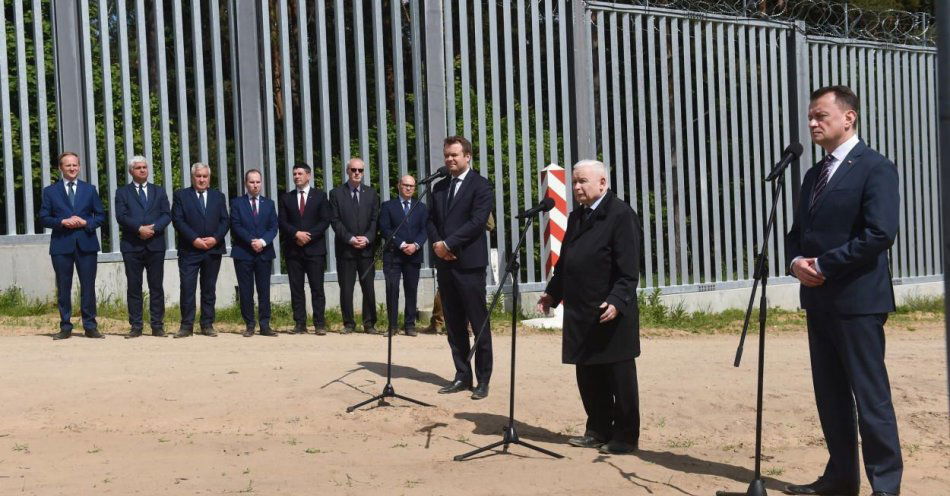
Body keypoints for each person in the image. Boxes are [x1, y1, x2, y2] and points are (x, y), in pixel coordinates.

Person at [784, 85, 902, 496]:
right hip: (818, 300)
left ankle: (885, 486)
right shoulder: (813, 174)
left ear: (848, 117)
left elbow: (880, 233)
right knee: (830, 395)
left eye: (821, 116)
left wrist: (825, 265)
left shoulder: (875, 167)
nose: (813, 123)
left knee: (870, 398)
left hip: (857, 301)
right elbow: (798, 234)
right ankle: (840, 478)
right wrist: (796, 262)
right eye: (811, 117)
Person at [538, 160, 642, 455]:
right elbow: (566, 263)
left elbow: (629, 268)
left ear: (602, 183)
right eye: (574, 182)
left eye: (583, 181)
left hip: (610, 312)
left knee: (618, 377)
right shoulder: (577, 217)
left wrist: (618, 300)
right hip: (581, 312)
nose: (577, 187)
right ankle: (597, 429)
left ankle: (624, 436)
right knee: (588, 375)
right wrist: (552, 295)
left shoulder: (621, 216)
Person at [427, 136, 494, 400]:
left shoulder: (481, 185)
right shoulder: (439, 187)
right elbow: (430, 220)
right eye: (446, 155)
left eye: (454, 155)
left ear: (468, 156)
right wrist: (437, 244)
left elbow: (478, 222)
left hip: (469, 264)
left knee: (478, 323)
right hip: (445, 263)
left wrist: (449, 243)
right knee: (453, 324)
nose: (449, 160)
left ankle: (483, 379)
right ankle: (462, 375)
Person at [39, 152, 106, 340]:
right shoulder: (50, 191)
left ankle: (90, 326)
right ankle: (65, 326)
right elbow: (44, 217)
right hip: (62, 245)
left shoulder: (90, 189)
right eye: (68, 165)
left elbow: (101, 215)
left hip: (86, 244)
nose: (72, 168)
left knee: (88, 286)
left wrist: (86, 223)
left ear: (79, 166)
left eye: (75, 165)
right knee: (63, 287)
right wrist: (62, 222)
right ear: (60, 168)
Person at [114, 155, 171, 338]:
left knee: (156, 287)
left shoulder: (159, 191)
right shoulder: (122, 192)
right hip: (132, 245)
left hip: (155, 244)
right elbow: (121, 216)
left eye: (145, 167)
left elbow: (166, 214)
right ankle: (136, 326)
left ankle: (157, 325)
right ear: (131, 171)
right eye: (138, 167)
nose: (142, 170)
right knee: (134, 286)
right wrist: (139, 229)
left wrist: (153, 229)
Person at [171, 163, 229, 338]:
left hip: (213, 249)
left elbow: (225, 221)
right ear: (192, 177)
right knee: (187, 288)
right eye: (198, 176)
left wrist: (215, 239)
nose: (202, 179)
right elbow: (178, 220)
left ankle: (207, 324)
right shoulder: (181, 195)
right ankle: (186, 325)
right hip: (190, 250)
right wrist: (194, 239)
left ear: (209, 178)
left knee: (209, 288)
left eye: (205, 176)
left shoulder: (218, 196)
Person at [278, 162, 332, 335]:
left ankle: (319, 323)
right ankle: (300, 323)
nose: (296, 176)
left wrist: (308, 235)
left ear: (308, 176)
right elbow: (282, 222)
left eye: (300, 173)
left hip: (314, 249)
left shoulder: (320, 196)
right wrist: (296, 234)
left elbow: (325, 220)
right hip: (294, 250)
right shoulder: (286, 197)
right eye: (294, 174)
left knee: (317, 288)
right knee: (296, 288)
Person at [329, 158, 380, 334]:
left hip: (366, 249)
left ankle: (369, 323)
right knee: (346, 287)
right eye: (353, 170)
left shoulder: (372, 194)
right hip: (346, 249)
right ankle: (348, 323)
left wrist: (367, 238)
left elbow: (375, 220)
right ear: (347, 171)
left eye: (360, 170)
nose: (357, 173)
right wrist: (350, 238)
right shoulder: (336, 193)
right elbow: (335, 221)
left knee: (368, 287)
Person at [230, 169, 278, 337]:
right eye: (252, 182)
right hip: (243, 252)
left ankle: (265, 325)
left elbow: (273, 227)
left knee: (264, 290)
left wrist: (262, 242)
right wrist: (252, 241)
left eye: (258, 182)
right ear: (246, 183)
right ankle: (249, 324)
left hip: (264, 253)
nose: (255, 185)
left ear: (261, 183)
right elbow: (236, 226)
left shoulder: (269, 204)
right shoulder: (237, 203)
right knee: (246, 290)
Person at [379, 175, 427, 337]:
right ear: (398, 185)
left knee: (411, 290)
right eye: (406, 185)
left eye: (412, 186)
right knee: (392, 289)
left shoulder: (421, 207)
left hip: (414, 254)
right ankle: (392, 326)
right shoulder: (388, 206)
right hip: (393, 254)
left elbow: (424, 230)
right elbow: (385, 228)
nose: (408, 188)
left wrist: (416, 245)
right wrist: (401, 244)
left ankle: (409, 325)